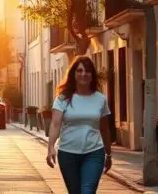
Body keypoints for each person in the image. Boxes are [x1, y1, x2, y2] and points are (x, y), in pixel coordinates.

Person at [45, 55, 112, 194]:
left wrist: (109, 154)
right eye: (79, 71)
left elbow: (104, 129)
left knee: (87, 191)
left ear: (92, 75)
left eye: (87, 71)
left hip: (94, 153)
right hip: (67, 154)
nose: (83, 74)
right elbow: (55, 124)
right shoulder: (63, 98)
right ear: (73, 74)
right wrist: (50, 147)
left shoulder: (100, 99)